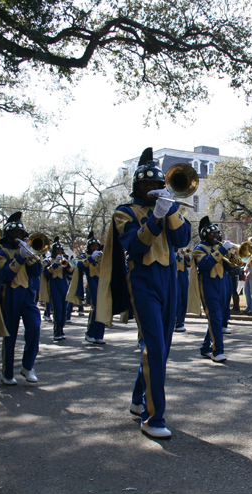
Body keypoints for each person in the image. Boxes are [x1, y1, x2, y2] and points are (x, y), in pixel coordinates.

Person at [104, 147, 191, 439]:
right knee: (153, 346)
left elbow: (182, 238)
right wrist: (155, 217)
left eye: (157, 185)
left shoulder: (169, 207)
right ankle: (153, 418)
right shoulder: (123, 212)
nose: (153, 188)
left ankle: (136, 398)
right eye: (147, 185)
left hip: (169, 277)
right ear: (137, 187)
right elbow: (136, 245)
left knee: (162, 350)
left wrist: (172, 209)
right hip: (142, 279)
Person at [0, 212, 42, 385]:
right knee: (10, 336)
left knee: (34, 328)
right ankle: (7, 373)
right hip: (9, 296)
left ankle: (28, 367)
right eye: (15, 234)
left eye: (21, 234)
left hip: (28, 295)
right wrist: (20, 257)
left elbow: (37, 272)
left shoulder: (27, 251)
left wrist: (30, 257)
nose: (18, 237)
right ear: (8, 235)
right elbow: (5, 274)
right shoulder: (0, 253)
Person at [191, 217, 231, 362]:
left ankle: (205, 347)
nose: (216, 236)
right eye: (212, 234)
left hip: (222, 283)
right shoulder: (198, 249)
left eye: (217, 234)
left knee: (218, 317)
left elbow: (230, 267)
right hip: (207, 284)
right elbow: (205, 264)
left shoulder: (218, 248)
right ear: (204, 235)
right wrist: (221, 251)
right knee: (214, 316)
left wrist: (232, 255)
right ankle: (217, 351)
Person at [67, 232, 106, 344]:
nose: (95, 248)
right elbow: (79, 266)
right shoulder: (83, 256)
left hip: (102, 282)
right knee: (96, 306)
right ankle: (90, 333)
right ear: (89, 247)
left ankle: (99, 334)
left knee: (103, 307)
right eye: (93, 246)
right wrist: (91, 258)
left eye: (96, 246)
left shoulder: (101, 255)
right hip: (91, 282)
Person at [44, 237, 73, 340]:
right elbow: (46, 273)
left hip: (63, 284)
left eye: (60, 250)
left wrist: (67, 263)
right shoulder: (48, 260)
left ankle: (62, 329)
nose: (58, 252)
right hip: (54, 284)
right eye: (57, 250)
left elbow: (70, 273)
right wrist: (55, 264)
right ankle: (57, 331)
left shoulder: (63, 260)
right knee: (57, 309)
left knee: (64, 309)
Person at [174, 246, 191, 332]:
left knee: (184, 300)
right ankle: (178, 322)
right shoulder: (172, 251)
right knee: (178, 300)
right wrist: (176, 254)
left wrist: (187, 257)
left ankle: (182, 321)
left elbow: (189, 264)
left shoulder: (183, 254)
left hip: (184, 276)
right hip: (176, 276)